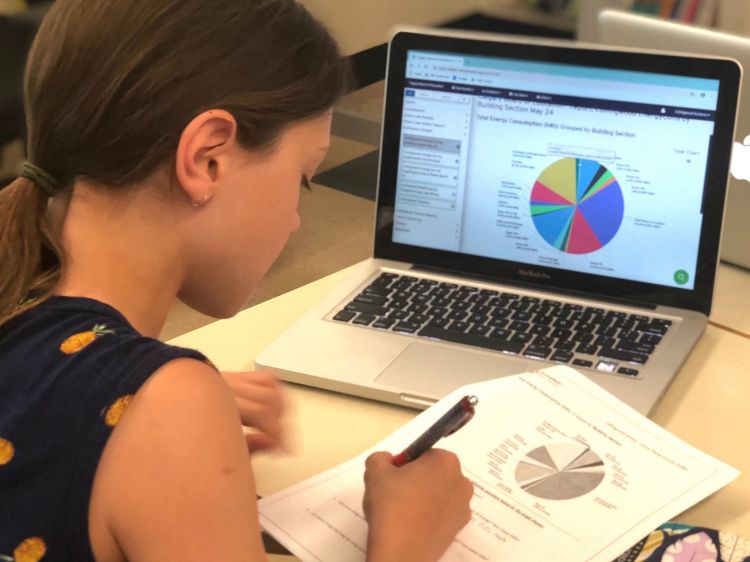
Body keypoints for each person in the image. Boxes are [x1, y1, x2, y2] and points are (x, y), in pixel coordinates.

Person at [0, 1, 474, 561]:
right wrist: (408, 539)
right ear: (208, 159)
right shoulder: (166, 409)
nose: (296, 220)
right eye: (304, 179)